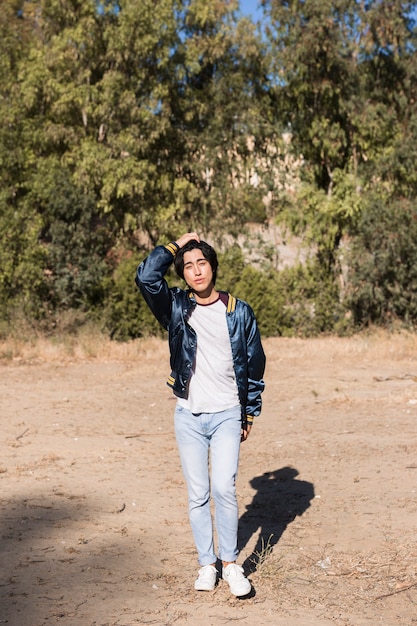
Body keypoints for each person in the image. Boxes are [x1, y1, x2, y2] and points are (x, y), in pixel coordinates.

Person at [136, 232, 266, 597]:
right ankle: (206, 564)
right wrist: (176, 245)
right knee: (198, 494)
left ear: (213, 267)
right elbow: (146, 277)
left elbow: (255, 366)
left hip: (227, 412)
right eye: (188, 266)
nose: (196, 271)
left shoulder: (239, 312)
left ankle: (231, 564)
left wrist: (249, 414)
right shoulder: (175, 307)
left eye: (202, 263)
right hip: (189, 416)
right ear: (184, 274)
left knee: (224, 488)